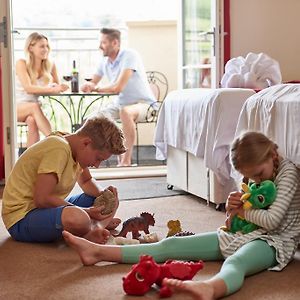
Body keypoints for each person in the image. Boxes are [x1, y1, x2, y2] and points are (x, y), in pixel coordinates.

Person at [63, 131, 300, 299]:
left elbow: (272, 221)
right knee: (171, 245)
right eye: (251, 177)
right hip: (241, 233)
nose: (257, 181)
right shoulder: (254, 170)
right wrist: (232, 206)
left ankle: (211, 288)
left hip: (273, 241)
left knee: (236, 262)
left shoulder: (287, 173)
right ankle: (97, 252)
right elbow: (241, 213)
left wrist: (243, 212)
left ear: (271, 155)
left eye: (259, 174)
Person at [2, 115, 127, 244]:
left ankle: (94, 225)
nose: (97, 165)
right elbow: (42, 199)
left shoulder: (75, 145)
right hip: (22, 218)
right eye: (98, 158)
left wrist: (105, 195)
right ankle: (91, 229)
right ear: (86, 143)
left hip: (44, 209)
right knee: (78, 218)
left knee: (99, 200)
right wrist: (87, 212)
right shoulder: (58, 148)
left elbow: (86, 181)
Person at [81, 27, 157, 167]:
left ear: (115, 43)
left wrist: (95, 88)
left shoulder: (129, 55)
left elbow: (118, 87)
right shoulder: (105, 62)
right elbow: (93, 81)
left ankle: (125, 161)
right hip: (121, 104)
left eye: (103, 42)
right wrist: (88, 85)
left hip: (145, 105)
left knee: (125, 112)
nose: (100, 46)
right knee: (92, 118)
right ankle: (92, 159)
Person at [15, 32, 69, 148]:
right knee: (34, 107)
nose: (45, 49)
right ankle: (56, 142)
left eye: (46, 46)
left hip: (33, 110)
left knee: (32, 121)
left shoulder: (50, 65)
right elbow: (28, 88)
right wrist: (52, 89)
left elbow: (56, 86)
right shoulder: (21, 63)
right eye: (41, 46)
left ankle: (30, 161)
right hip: (16, 107)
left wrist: (60, 87)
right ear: (30, 47)